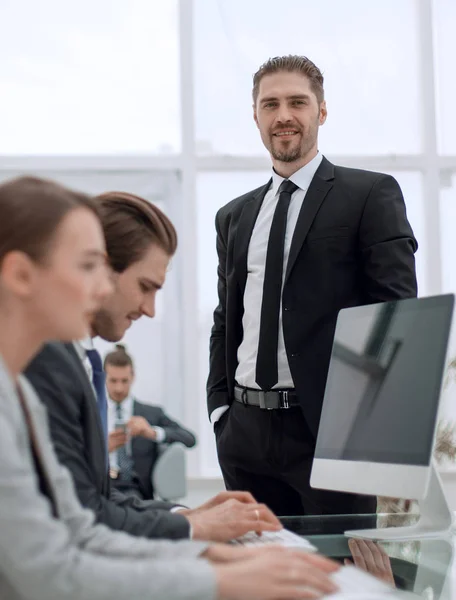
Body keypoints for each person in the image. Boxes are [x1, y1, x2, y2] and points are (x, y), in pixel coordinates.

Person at [0, 175, 340, 600]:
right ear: (20, 274)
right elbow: (49, 571)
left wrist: (209, 558)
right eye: (88, 266)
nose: (103, 286)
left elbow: (82, 532)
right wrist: (219, 579)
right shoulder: (26, 385)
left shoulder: (20, 394)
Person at [207, 55, 418, 517]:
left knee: (342, 579)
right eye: (270, 104)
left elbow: (396, 318)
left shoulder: (369, 195)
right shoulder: (234, 216)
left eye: (297, 102)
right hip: (244, 434)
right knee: (260, 581)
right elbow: (227, 319)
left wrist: (370, 438)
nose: (283, 115)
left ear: (321, 111)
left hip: (330, 438)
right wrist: (220, 410)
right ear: (256, 115)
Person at [25, 191, 280, 541]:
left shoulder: (80, 360)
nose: (150, 310)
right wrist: (192, 528)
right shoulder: (45, 362)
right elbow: (82, 518)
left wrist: (186, 514)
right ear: (101, 268)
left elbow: (97, 499)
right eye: (145, 287)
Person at [104, 343, 196, 500]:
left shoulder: (151, 414)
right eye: (113, 381)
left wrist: (152, 432)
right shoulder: (91, 412)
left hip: (137, 491)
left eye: (124, 381)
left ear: (133, 377)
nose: (119, 388)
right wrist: (102, 448)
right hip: (101, 487)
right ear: (103, 378)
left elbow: (190, 439)